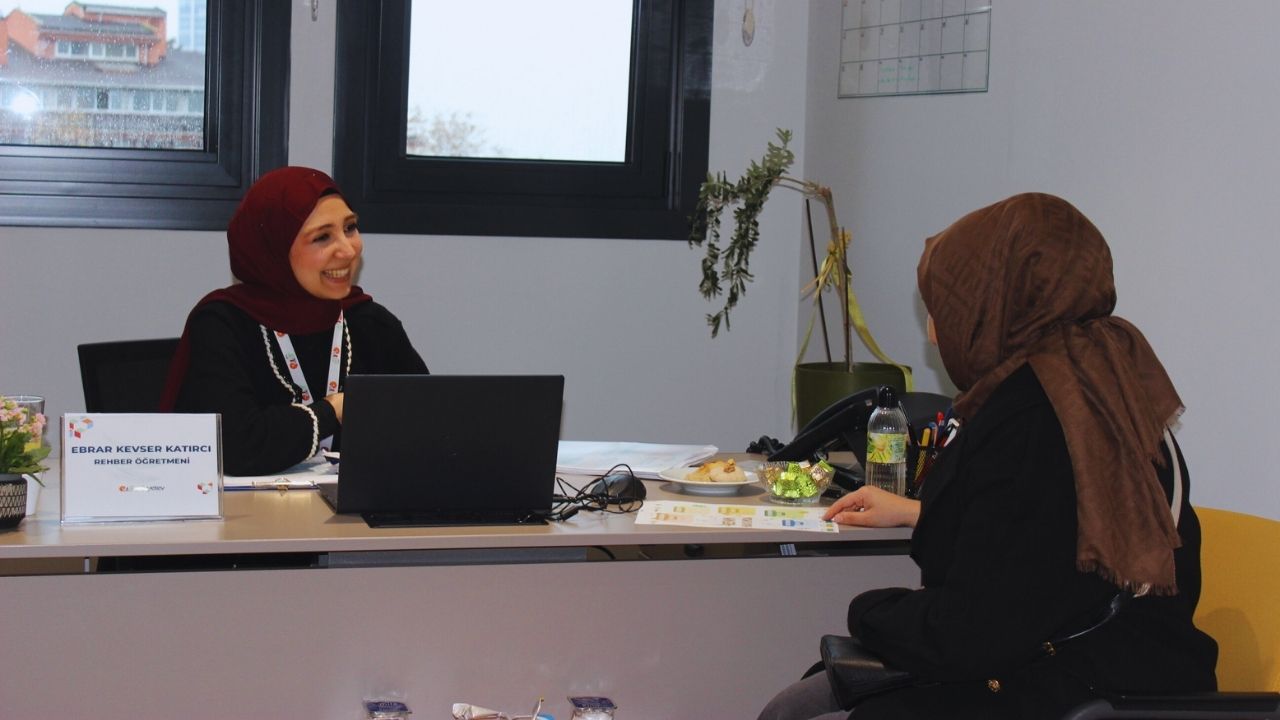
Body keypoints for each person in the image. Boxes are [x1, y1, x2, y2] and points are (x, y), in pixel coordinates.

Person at [758, 193, 1218, 719]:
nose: (934, 331)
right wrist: (921, 512)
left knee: (803, 709)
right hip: (1124, 666)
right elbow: (1049, 542)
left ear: (991, 306)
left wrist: (867, 609)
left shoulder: (1032, 419)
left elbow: (968, 633)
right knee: (804, 701)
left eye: (942, 306)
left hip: (1068, 688)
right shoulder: (1105, 383)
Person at [160, 167, 428, 476]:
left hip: (353, 506)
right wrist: (334, 410)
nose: (347, 249)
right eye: (322, 237)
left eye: (350, 227)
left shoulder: (370, 323)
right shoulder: (224, 324)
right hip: (248, 507)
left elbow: (430, 426)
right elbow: (235, 446)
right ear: (273, 247)